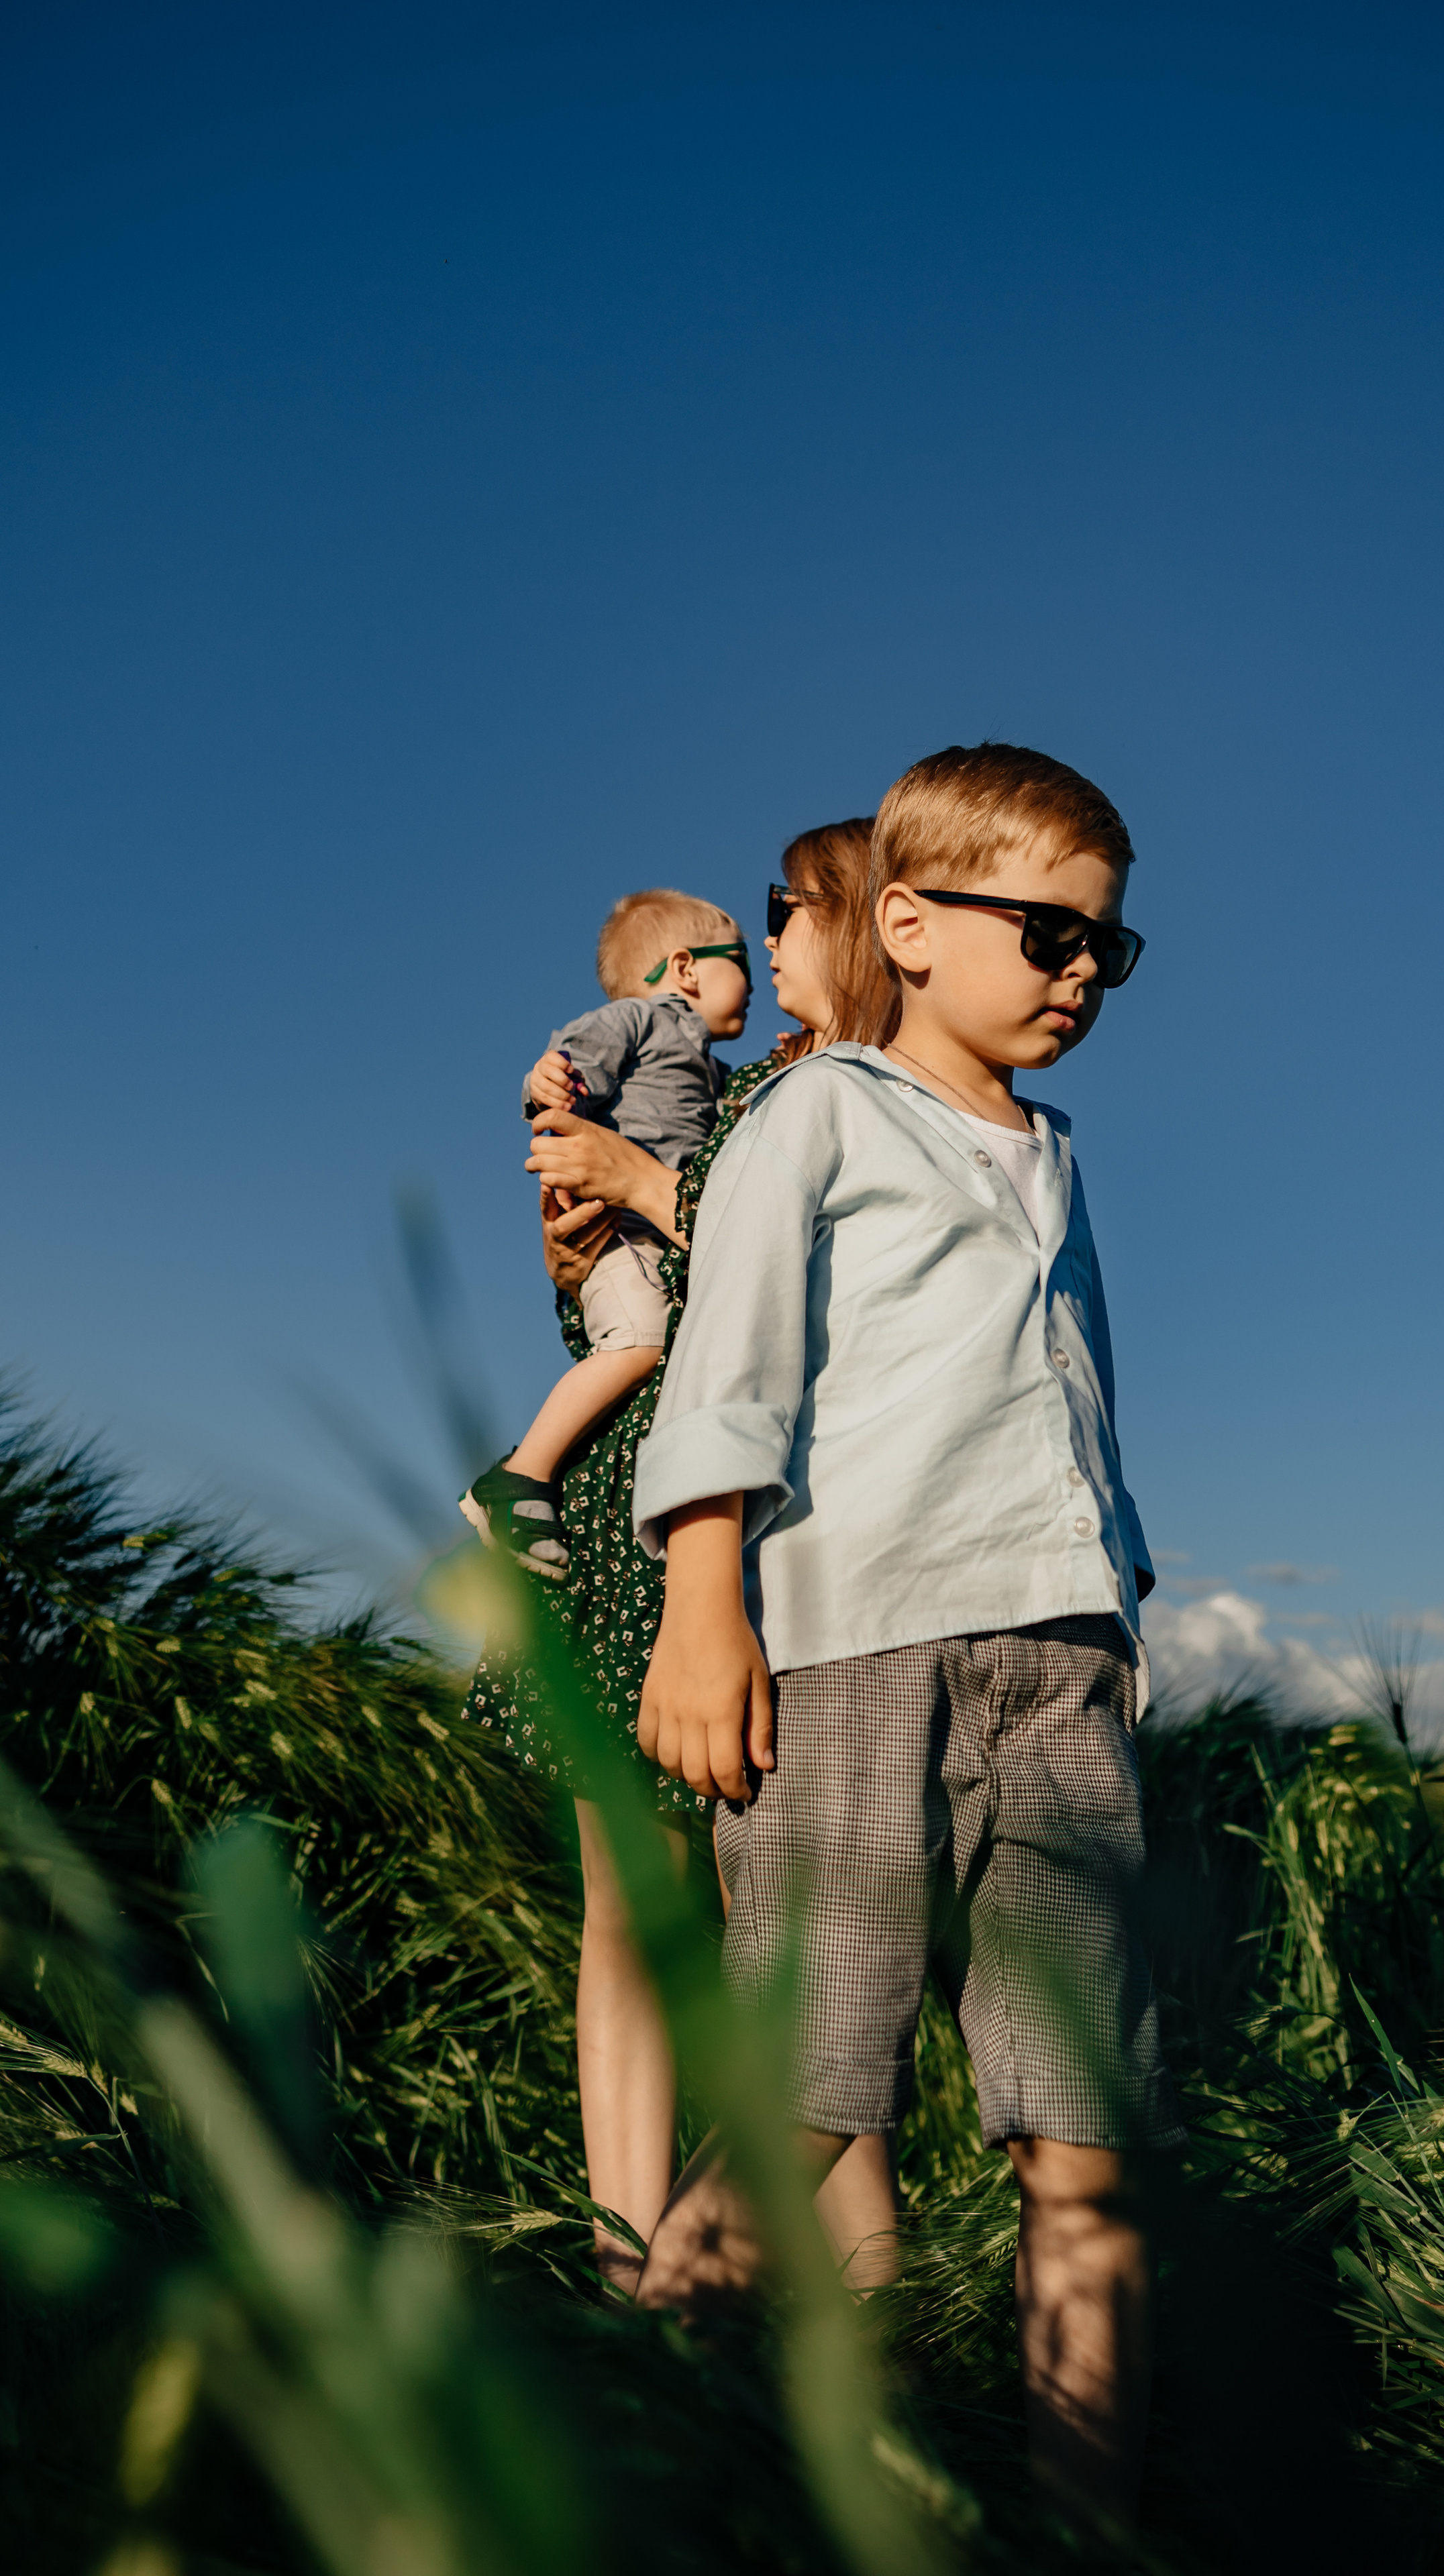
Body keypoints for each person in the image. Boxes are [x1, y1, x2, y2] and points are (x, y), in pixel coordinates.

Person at [629, 745, 1179, 2531]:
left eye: (1109, 947)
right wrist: (702, 1610)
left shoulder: (1060, 1157)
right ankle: (621, 2470)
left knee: (1085, 2140)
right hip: (856, 1653)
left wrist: (1122, 1615)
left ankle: (1086, 2533)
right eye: (1049, 934)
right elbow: (727, 1378)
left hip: (1061, 1665)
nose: (1081, 972)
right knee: (804, 2101)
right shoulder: (820, 1116)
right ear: (912, 923)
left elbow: (1072, 1409)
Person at [464, 820, 900, 2295]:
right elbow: (617, 1303)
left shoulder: (823, 1100)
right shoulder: (705, 1085)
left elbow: (797, 1286)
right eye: (749, 926)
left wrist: (634, 1184)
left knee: (806, 1934)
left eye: (787, 916)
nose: (764, 951)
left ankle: (860, 2283)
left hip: (767, 1528)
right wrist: (580, 1231)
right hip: (630, 1518)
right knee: (637, 1919)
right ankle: (632, 2264)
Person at [459, 888, 752, 1577]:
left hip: (658, 1235)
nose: (753, 982)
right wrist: (546, 1085)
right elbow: (567, 1068)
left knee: (659, 1344)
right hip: (619, 1231)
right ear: (686, 968)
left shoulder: (717, 1073)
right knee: (641, 1340)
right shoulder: (637, 1019)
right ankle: (520, 1477)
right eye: (739, 962)